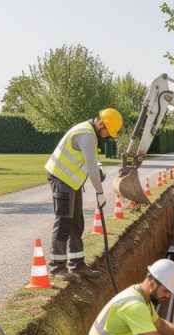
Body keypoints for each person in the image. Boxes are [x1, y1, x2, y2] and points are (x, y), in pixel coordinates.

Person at [44, 108, 123, 281]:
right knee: (64, 221)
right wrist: (100, 192)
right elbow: (91, 168)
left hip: (72, 182)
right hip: (61, 178)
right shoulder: (86, 134)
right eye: (108, 132)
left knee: (77, 222)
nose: (107, 136)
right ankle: (57, 267)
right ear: (101, 123)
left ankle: (77, 264)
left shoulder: (90, 134)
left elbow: (93, 159)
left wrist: (100, 166)